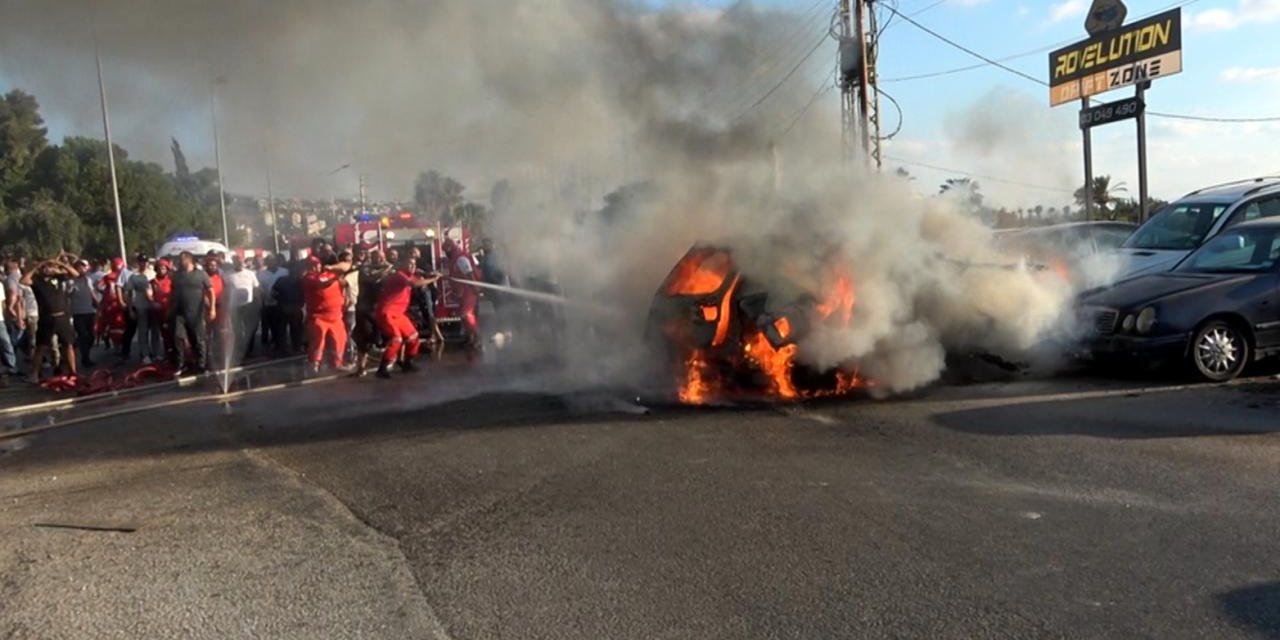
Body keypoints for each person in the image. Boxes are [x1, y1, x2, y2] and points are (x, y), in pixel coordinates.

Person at [373, 255, 441, 379]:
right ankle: (382, 369)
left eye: (414, 264)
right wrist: (433, 279)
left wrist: (428, 274)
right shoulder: (400, 275)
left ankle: (408, 363)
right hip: (386, 313)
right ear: (403, 265)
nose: (412, 266)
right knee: (396, 339)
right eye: (409, 264)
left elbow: (417, 279)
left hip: (398, 314)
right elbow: (414, 283)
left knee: (413, 336)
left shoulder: (409, 275)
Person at [22, 256, 78, 382]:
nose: (47, 269)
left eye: (49, 267)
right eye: (45, 267)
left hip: (62, 317)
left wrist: (58, 263)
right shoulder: (37, 280)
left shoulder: (59, 277)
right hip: (47, 318)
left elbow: (75, 273)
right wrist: (37, 266)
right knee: (41, 347)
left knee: (68, 345)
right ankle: (35, 374)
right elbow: (24, 281)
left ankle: (73, 372)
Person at [168, 251, 214, 375]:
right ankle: (180, 365)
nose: (180, 262)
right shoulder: (176, 276)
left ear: (189, 260)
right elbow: (173, 294)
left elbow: (210, 291)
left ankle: (202, 365)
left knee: (199, 340)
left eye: (182, 259)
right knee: (178, 337)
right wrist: (170, 309)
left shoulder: (201, 274)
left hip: (196, 312)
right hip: (180, 313)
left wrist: (212, 308)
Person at [302, 256, 348, 374]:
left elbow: (347, 265)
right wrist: (336, 277)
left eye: (317, 264)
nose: (315, 266)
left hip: (336, 315)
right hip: (318, 316)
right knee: (318, 340)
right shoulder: (308, 278)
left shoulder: (329, 273)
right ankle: (314, 364)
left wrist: (332, 268)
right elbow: (322, 284)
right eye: (312, 265)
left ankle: (337, 363)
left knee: (340, 339)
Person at [352, 249, 392, 376]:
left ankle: (392, 361)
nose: (380, 260)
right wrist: (386, 270)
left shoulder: (390, 269)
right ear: (372, 257)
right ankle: (361, 367)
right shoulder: (365, 268)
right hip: (366, 308)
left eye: (382, 257)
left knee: (391, 335)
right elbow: (371, 279)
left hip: (383, 308)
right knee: (364, 338)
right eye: (377, 257)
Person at [443, 238, 481, 348]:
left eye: (446, 251)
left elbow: (469, 274)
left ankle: (478, 338)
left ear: (450, 249)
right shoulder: (456, 258)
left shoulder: (460, 258)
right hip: (463, 292)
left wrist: (475, 289)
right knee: (463, 315)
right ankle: (470, 338)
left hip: (468, 291)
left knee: (466, 314)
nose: (446, 254)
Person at [225, 254, 261, 364]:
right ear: (233, 262)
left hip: (248, 305)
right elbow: (226, 291)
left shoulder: (250, 274)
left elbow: (256, 289)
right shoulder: (228, 275)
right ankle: (241, 351)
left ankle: (249, 350)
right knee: (238, 331)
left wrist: (257, 303)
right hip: (235, 307)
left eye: (241, 261)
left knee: (250, 329)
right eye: (237, 261)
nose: (239, 263)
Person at [121, 254, 157, 363]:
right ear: (138, 262)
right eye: (141, 261)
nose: (144, 263)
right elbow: (129, 294)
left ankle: (156, 353)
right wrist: (130, 309)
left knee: (155, 331)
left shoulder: (153, 273)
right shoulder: (134, 276)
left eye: (145, 261)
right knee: (143, 331)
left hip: (154, 306)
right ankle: (145, 354)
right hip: (141, 306)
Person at [68, 259, 99, 367]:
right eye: (80, 267)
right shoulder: (71, 281)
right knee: (83, 335)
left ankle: (86, 353)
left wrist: (97, 304)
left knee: (91, 336)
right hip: (78, 312)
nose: (82, 269)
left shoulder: (88, 279)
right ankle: (85, 358)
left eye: (83, 267)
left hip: (89, 311)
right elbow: (67, 294)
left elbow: (92, 292)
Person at [95, 257, 127, 352]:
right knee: (120, 325)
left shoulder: (108, 276)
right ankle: (121, 346)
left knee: (114, 325)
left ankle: (116, 345)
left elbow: (98, 287)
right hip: (118, 303)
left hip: (111, 304)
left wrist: (105, 294)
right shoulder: (122, 276)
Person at [257, 255, 287, 353]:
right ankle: (272, 345)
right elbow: (259, 290)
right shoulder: (261, 274)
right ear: (266, 263)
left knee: (281, 325)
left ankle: (282, 346)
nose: (272, 263)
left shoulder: (284, 272)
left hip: (281, 303)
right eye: (269, 261)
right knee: (271, 326)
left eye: (273, 261)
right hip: (268, 304)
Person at [150, 258, 175, 364]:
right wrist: (152, 302)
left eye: (164, 268)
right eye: (159, 268)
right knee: (164, 335)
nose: (161, 270)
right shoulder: (152, 282)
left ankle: (177, 354)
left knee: (174, 333)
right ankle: (168, 355)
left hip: (171, 311)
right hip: (159, 312)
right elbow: (149, 293)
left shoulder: (171, 280)